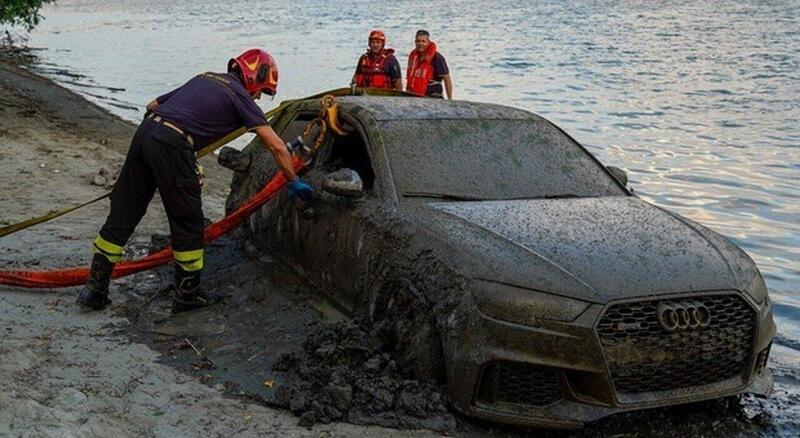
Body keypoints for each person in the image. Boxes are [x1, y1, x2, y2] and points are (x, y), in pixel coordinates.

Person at [77, 48, 313, 314]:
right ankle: (188, 294)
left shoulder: (205, 77)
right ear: (252, 77)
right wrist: (293, 181)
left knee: (125, 211)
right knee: (187, 221)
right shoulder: (240, 96)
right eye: (261, 91)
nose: (258, 97)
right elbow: (277, 147)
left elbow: (153, 106)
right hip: (172, 143)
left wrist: (167, 152)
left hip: (146, 132)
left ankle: (95, 289)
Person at [406, 30, 453, 99]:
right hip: (416, 97)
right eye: (418, 41)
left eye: (423, 41)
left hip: (434, 97)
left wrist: (450, 99)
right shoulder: (413, 58)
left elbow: (447, 79)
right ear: (415, 42)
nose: (420, 43)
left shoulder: (437, 58)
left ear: (428, 42)